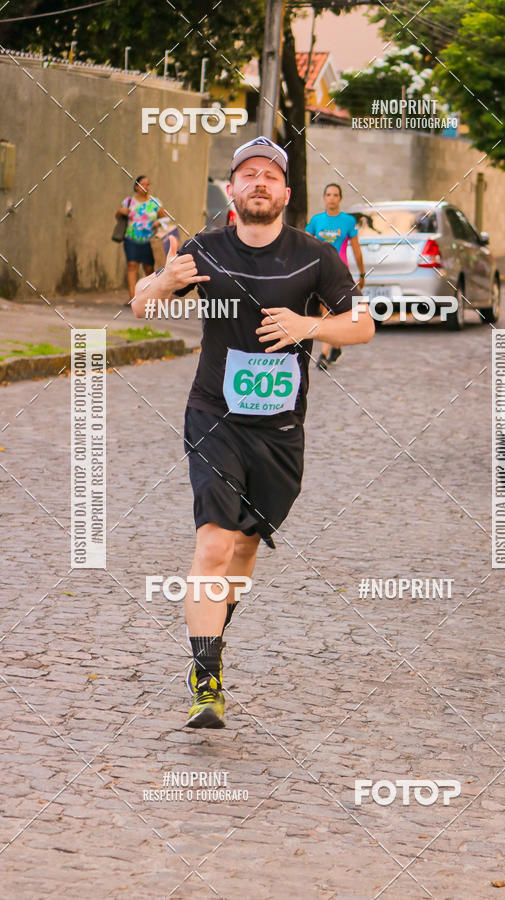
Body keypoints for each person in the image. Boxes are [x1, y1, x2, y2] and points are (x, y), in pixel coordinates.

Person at [131, 136, 374, 729]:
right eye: (248, 174)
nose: (259, 182)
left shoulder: (315, 256)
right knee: (214, 543)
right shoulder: (204, 250)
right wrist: (161, 284)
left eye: (270, 175)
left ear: (286, 192)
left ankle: (214, 636)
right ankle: (206, 677)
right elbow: (142, 306)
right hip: (213, 415)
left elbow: (362, 326)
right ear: (233, 190)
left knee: (243, 547)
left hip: (281, 427)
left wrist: (307, 324)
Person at [305, 184, 365, 370]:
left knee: (330, 311)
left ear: (340, 199)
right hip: (320, 271)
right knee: (327, 311)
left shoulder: (348, 221)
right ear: (324, 198)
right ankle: (334, 347)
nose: (331, 198)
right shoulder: (316, 221)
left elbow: (356, 249)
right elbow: (305, 245)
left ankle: (324, 353)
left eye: (335, 195)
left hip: (340, 272)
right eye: (328, 195)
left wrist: (362, 273)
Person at [116, 175, 167, 302]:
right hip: (131, 239)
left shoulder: (155, 203)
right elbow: (118, 218)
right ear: (136, 186)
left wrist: (159, 223)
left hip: (149, 241)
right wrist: (120, 212)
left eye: (148, 184)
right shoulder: (128, 202)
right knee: (131, 265)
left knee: (148, 268)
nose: (145, 187)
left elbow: (165, 219)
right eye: (142, 184)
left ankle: (147, 297)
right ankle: (132, 297)